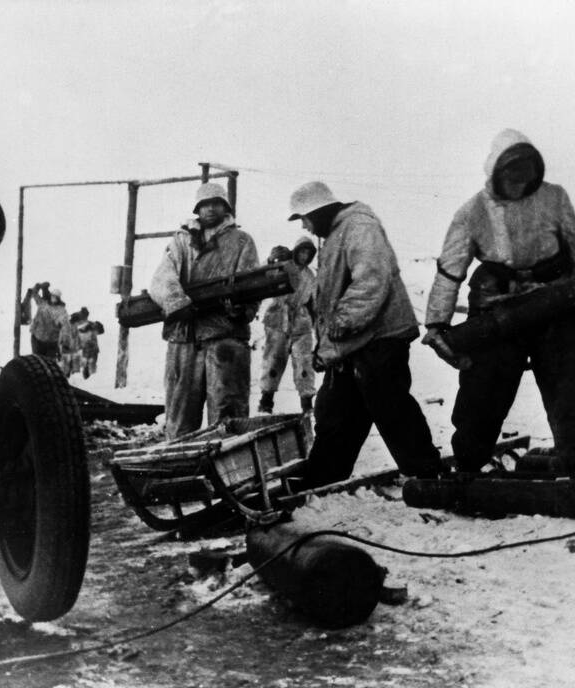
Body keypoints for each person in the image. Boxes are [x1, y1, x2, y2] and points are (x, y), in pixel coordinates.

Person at [422, 129, 575, 474]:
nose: (520, 182)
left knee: (568, 390)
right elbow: (450, 270)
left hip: (554, 304)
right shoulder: (472, 212)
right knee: (483, 395)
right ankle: (468, 467)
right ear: (496, 171)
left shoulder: (554, 198)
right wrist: (437, 324)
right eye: (512, 173)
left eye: (526, 173)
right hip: (497, 311)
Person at [288, 181, 442, 488]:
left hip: (379, 339)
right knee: (335, 413)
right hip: (354, 342)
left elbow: (371, 280)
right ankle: (322, 480)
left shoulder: (358, 225)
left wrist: (340, 323)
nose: (305, 226)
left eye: (304, 218)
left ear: (318, 211)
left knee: (390, 406)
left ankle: (428, 476)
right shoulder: (335, 235)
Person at [148, 181, 259, 440]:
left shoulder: (242, 241)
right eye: (205, 204)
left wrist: (241, 309)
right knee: (179, 418)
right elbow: (162, 278)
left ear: (226, 207)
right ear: (197, 209)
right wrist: (178, 303)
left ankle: (230, 474)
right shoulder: (181, 241)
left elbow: (253, 284)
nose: (210, 209)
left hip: (225, 338)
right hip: (184, 337)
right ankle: (178, 472)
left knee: (228, 417)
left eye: (216, 203)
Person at [258, 235, 317, 414]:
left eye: (308, 253)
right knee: (273, 360)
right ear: (296, 251)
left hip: (301, 323)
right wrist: (271, 260)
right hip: (277, 319)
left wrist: (314, 323)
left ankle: (307, 402)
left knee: (304, 362)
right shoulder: (283, 266)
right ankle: (266, 400)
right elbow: (263, 275)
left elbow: (312, 301)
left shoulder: (309, 274)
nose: (304, 256)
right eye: (302, 251)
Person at [29, 284, 78, 373]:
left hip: (51, 342)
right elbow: (34, 294)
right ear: (50, 295)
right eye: (53, 296)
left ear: (59, 298)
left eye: (56, 297)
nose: (54, 298)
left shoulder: (61, 310)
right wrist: (38, 286)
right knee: (37, 363)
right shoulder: (43, 304)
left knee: (49, 365)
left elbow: (66, 326)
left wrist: (66, 341)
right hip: (37, 338)